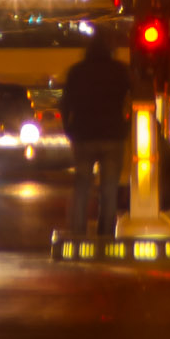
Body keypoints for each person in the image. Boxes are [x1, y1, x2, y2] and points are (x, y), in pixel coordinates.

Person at [61, 30, 132, 238]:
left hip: (83, 134)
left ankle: (78, 230)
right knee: (109, 188)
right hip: (113, 135)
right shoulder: (120, 71)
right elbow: (134, 97)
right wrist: (125, 127)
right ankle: (106, 232)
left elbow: (65, 103)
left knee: (82, 186)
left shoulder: (77, 71)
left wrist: (68, 127)